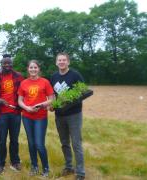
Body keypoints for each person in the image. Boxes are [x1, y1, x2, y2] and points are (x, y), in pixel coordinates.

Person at [50, 52, 85, 180]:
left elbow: (83, 91)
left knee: (76, 143)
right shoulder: (53, 77)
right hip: (59, 115)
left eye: (64, 60)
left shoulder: (75, 75)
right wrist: (52, 105)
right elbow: (52, 95)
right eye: (59, 60)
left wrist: (70, 100)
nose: (62, 62)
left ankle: (80, 172)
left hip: (74, 114)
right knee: (64, 142)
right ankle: (69, 166)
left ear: (68, 62)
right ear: (56, 62)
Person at [18, 60, 54, 177]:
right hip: (27, 116)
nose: (33, 69)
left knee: (39, 144)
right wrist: (27, 108)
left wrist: (41, 105)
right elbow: (20, 101)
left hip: (40, 117)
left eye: (35, 67)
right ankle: (34, 166)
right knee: (31, 143)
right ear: (28, 69)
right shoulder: (23, 83)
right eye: (31, 67)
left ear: (39, 69)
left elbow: (52, 99)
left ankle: (46, 168)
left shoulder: (45, 82)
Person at [0, 54, 24, 174]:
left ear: (12, 64)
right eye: (5, 63)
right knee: (2, 139)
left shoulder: (19, 77)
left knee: (14, 139)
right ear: (1, 64)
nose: (7, 65)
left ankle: (15, 161)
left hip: (15, 112)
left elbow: (24, 93)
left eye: (9, 63)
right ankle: (0, 163)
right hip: (1, 114)